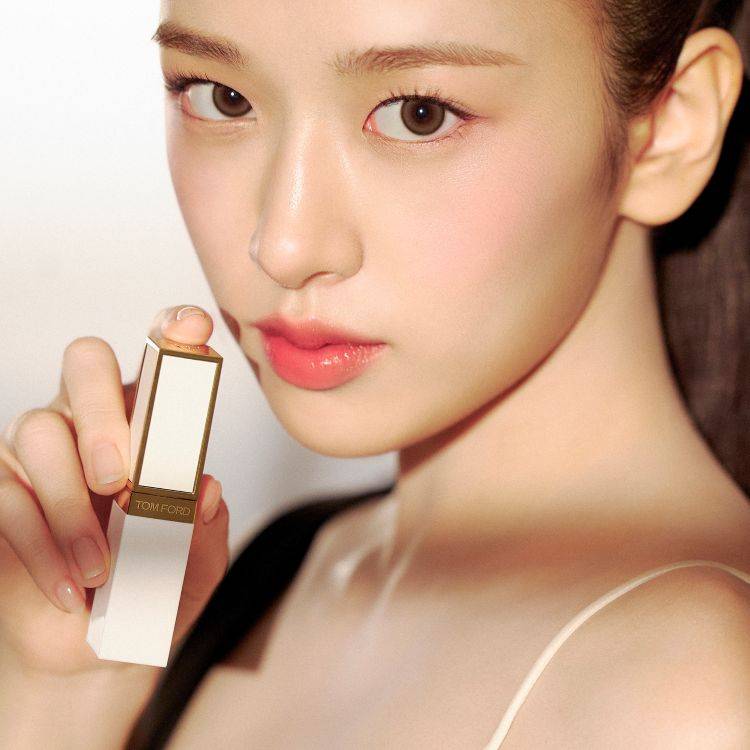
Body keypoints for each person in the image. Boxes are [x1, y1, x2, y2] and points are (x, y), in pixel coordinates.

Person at [1, 0, 748, 747]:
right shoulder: (281, 572)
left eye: (419, 115)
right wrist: (66, 692)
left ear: (671, 130)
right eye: (221, 97)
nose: (284, 246)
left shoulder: (698, 692)